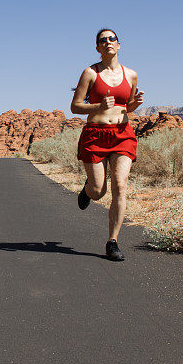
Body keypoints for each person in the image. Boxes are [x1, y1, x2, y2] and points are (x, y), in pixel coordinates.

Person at [70, 29, 144, 261]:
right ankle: (88, 189)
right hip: (96, 134)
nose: (107, 42)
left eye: (111, 39)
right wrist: (98, 107)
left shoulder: (131, 75)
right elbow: (75, 106)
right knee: (99, 191)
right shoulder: (90, 73)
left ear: (119, 45)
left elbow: (127, 107)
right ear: (97, 48)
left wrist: (135, 104)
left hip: (122, 134)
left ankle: (112, 241)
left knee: (120, 187)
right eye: (103, 40)